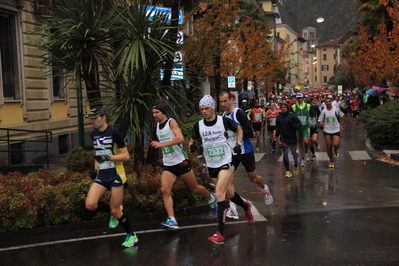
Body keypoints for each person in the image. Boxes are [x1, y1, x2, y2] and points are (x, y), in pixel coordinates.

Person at [189, 95, 254, 244]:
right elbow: (192, 139)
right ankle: (245, 205)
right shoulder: (198, 125)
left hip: (226, 162)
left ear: (212, 108)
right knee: (229, 193)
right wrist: (191, 145)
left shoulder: (223, 121)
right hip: (211, 164)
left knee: (219, 193)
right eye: (201, 109)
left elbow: (240, 131)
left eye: (206, 108)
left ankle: (220, 233)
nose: (204, 111)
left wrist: (237, 144)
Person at [150, 101, 217, 230]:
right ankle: (172, 220)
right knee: (164, 190)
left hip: (181, 161)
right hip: (168, 164)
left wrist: (161, 145)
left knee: (195, 188)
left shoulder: (171, 122)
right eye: (153, 113)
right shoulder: (157, 125)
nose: (154, 115)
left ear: (163, 112)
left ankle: (211, 198)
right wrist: (157, 143)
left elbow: (180, 138)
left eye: (157, 112)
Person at [85, 107, 137, 248]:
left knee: (116, 210)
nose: (93, 121)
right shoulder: (93, 134)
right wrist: (95, 169)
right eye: (91, 119)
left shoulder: (114, 132)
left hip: (116, 175)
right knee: (90, 205)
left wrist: (108, 157)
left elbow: (126, 156)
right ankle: (113, 211)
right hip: (102, 175)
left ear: (104, 117)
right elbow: (98, 154)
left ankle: (131, 235)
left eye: (95, 118)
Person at [219, 91, 273, 220]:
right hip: (231, 152)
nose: (223, 104)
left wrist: (236, 130)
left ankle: (264, 188)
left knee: (253, 178)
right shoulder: (221, 116)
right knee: (228, 179)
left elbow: (250, 132)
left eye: (225, 101)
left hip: (245, 150)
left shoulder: (239, 113)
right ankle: (232, 209)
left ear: (231, 100)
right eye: (221, 102)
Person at [318, 96, 345, 169]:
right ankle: (331, 161)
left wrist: (341, 126)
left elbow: (343, 116)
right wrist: (321, 123)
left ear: (331, 102)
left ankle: (336, 149)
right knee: (329, 145)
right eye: (326, 102)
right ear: (325, 103)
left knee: (336, 145)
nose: (328, 103)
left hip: (336, 129)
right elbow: (319, 120)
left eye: (329, 101)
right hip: (327, 130)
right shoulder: (323, 111)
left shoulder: (336, 109)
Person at [275, 103, 302, 177]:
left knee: (294, 154)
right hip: (284, 138)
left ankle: (296, 165)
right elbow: (277, 126)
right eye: (282, 107)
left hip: (292, 138)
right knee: (285, 153)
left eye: (284, 107)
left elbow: (299, 126)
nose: (283, 109)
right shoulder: (279, 117)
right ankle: (287, 171)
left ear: (287, 108)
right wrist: (277, 133)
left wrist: (293, 124)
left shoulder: (292, 116)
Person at [291, 93, 311, 166]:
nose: (299, 100)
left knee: (306, 141)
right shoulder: (294, 107)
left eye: (301, 98)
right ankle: (302, 159)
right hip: (298, 128)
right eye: (298, 98)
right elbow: (291, 116)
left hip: (305, 126)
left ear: (303, 99)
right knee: (300, 144)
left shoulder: (308, 106)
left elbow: (312, 115)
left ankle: (306, 152)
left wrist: (312, 121)